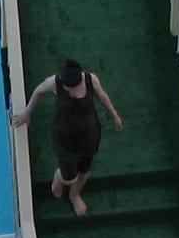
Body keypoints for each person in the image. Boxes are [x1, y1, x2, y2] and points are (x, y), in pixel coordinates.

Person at [12, 58, 122, 216]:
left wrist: (114, 116)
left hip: (89, 135)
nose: (67, 90)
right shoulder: (55, 82)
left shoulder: (90, 79)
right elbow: (39, 91)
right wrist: (28, 112)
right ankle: (59, 178)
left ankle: (74, 195)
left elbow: (102, 96)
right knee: (69, 177)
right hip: (65, 137)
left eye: (70, 88)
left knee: (84, 170)